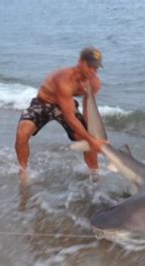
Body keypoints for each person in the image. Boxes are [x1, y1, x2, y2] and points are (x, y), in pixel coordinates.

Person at [15, 47, 107, 180]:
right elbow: (69, 117)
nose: (93, 71)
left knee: (88, 137)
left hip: (67, 105)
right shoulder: (64, 79)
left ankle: (94, 174)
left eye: (96, 68)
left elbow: (88, 110)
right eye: (90, 66)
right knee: (22, 132)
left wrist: (94, 137)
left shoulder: (94, 83)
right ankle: (23, 171)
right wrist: (91, 139)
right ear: (80, 62)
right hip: (44, 103)